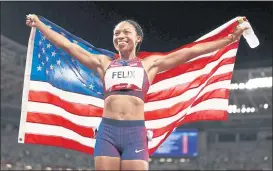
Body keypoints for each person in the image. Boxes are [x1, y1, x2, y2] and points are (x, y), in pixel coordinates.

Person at [26, 14, 248, 170]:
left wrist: (230, 39)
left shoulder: (149, 65)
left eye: (126, 32)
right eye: (116, 33)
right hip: (107, 133)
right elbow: (69, 47)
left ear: (138, 38)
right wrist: (40, 25)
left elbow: (190, 52)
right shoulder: (104, 63)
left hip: (135, 134)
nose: (120, 35)